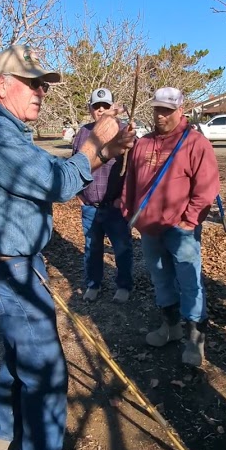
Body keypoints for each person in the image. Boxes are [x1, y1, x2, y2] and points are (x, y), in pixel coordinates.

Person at [0, 44, 136, 450]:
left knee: (21, 354)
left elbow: (45, 172)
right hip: (8, 269)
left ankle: (3, 433)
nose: (41, 93)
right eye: (33, 84)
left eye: (43, 86)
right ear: (3, 85)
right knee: (47, 369)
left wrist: (105, 149)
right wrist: (94, 144)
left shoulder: (2, 130)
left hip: (14, 262)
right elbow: (55, 182)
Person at [120, 87, 222, 366]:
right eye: (157, 109)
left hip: (180, 230)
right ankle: (171, 327)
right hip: (148, 228)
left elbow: (207, 188)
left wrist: (188, 220)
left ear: (180, 110)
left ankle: (195, 339)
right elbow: (131, 179)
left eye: (167, 110)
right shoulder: (143, 143)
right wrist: (128, 209)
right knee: (160, 278)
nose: (161, 115)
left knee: (190, 281)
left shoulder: (195, 143)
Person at [71, 88, 134, 303]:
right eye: (96, 107)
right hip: (89, 205)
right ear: (90, 109)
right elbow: (73, 164)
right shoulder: (82, 133)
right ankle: (93, 284)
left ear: (112, 108)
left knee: (122, 248)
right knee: (92, 248)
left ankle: (124, 286)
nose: (101, 110)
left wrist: (123, 199)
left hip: (115, 207)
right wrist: (80, 195)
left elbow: (134, 171)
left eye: (105, 106)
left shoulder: (126, 131)